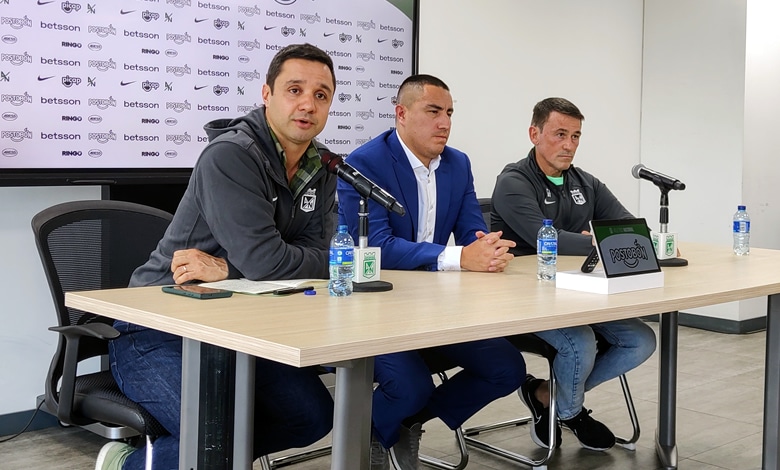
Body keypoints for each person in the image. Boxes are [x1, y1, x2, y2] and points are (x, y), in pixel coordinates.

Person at [95, 43, 338, 470]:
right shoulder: (232, 155)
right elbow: (270, 263)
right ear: (266, 95)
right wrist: (265, 264)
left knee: (312, 416)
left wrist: (228, 268)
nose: (307, 104)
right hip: (159, 327)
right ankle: (126, 465)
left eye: (321, 94)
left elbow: (330, 257)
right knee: (216, 432)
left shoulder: (321, 167)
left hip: (242, 328)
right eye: (294, 89)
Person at [337, 74, 526, 470]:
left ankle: (404, 423)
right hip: (379, 311)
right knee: (410, 386)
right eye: (434, 111)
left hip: (440, 310)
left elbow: (473, 230)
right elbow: (376, 248)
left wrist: (488, 249)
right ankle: (374, 428)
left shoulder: (458, 163)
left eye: (450, 113)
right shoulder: (364, 163)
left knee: (506, 368)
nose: (445, 123)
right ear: (401, 114)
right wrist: (460, 258)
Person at [490, 97, 657, 451]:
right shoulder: (514, 181)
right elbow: (544, 238)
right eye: (560, 134)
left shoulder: (587, 182)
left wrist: (590, 240)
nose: (569, 145)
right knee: (580, 342)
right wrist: (595, 240)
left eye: (576, 136)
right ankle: (572, 412)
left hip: (578, 295)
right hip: (525, 299)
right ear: (534, 133)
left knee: (642, 340)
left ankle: (548, 396)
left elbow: (627, 227)